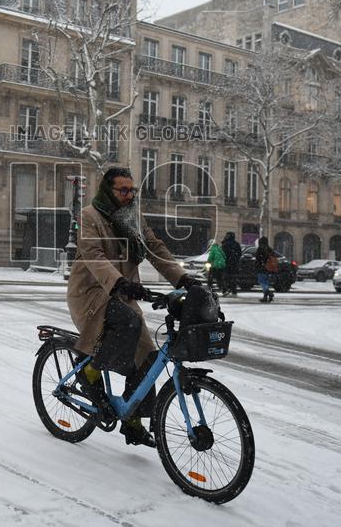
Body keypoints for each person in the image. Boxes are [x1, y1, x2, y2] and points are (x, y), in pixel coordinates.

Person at [67, 166, 197, 448]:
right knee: (129, 322)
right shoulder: (89, 216)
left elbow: (155, 248)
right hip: (92, 293)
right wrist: (120, 282)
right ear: (108, 190)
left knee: (148, 357)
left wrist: (183, 279)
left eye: (131, 190)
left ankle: (133, 420)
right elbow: (94, 256)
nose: (129, 195)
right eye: (123, 190)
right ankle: (89, 372)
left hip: (122, 295)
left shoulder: (133, 218)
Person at [254, 236, 277, 302]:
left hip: (261, 267)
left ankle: (269, 293)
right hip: (269, 268)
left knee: (261, 282)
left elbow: (258, 258)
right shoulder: (270, 249)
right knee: (266, 282)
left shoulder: (260, 249)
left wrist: (260, 263)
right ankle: (265, 297)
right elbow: (273, 257)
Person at [221, 231, 242, 296]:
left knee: (226, 277)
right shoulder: (236, 244)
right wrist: (236, 259)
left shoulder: (225, 244)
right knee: (233, 278)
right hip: (234, 264)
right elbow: (240, 253)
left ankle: (226, 290)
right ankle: (233, 291)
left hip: (226, 263)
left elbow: (222, 254)